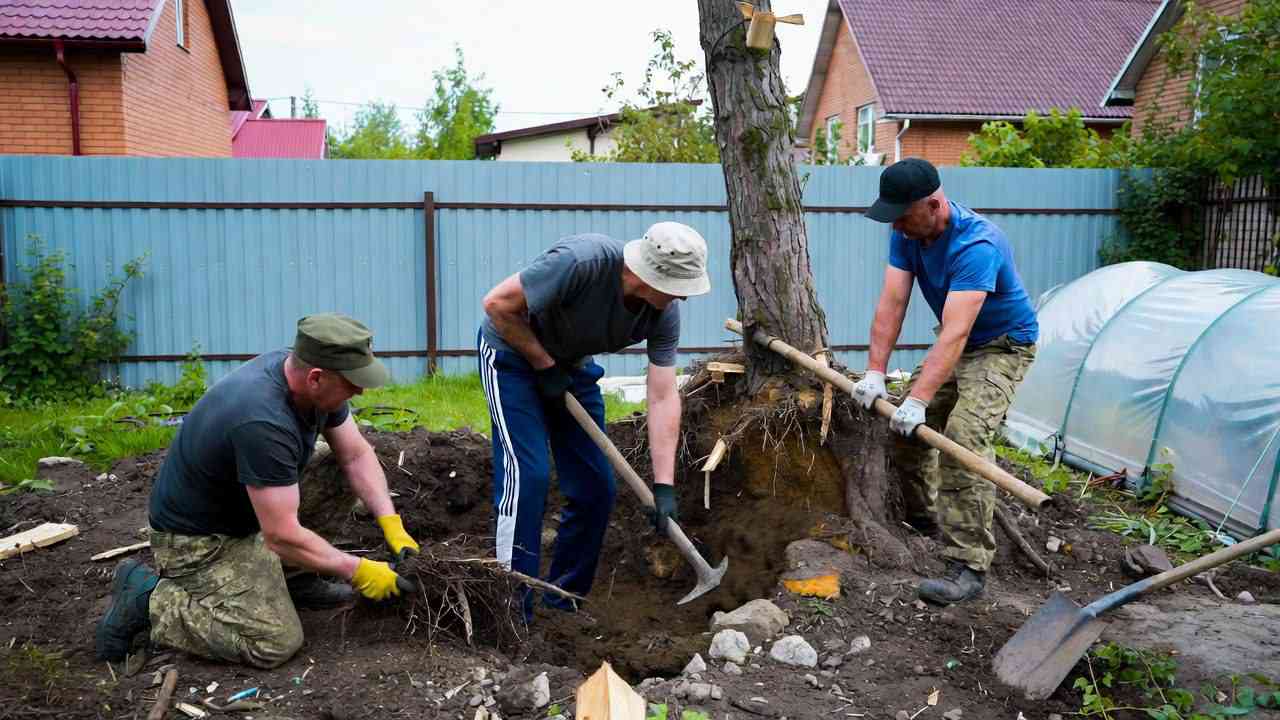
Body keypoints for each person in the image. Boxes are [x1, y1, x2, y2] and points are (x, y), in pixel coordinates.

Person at [94, 314, 420, 668]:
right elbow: (280, 535)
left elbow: (355, 455)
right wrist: (357, 570)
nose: (360, 391)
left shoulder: (308, 375)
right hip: (200, 541)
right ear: (315, 378)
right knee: (274, 641)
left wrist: (391, 523)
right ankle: (148, 599)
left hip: (246, 507)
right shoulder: (263, 420)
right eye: (352, 383)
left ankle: (295, 579)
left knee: (334, 466)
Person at [478, 222, 711, 615]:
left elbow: (662, 395)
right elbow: (497, 305)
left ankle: (563, 602)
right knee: (528, 476)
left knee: (597, 488)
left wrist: (663, 485)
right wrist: (542, 363)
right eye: (677, 287)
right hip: (511, 356)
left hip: (570, 367)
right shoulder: (581, 262)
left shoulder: (664, 315)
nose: (683, 297)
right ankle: (511, 611)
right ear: (649, 275)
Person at [851, 158, 1038, 605]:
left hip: (1001, 346)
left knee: (965, 437)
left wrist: (918, 399)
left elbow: (956, 332)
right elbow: (892, 303)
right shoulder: (907, 234)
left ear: (933, 205)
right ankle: (927, 520)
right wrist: (875, 371)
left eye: (902, 216)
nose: (895, 226)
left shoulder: (978, 245)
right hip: (956, 344)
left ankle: (969, 566)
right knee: (904, 431)